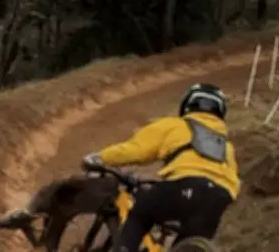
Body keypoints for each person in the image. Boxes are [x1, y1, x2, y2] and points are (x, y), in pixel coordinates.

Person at [81, 83, 239, 252]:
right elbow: (233, 181)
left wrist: (100, 157)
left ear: (187, 106)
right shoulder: (226, 146)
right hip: (217, 200)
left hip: (182, 186)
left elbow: (137, 150)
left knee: (139, 215)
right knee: (186, 247)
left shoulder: (175, 125)